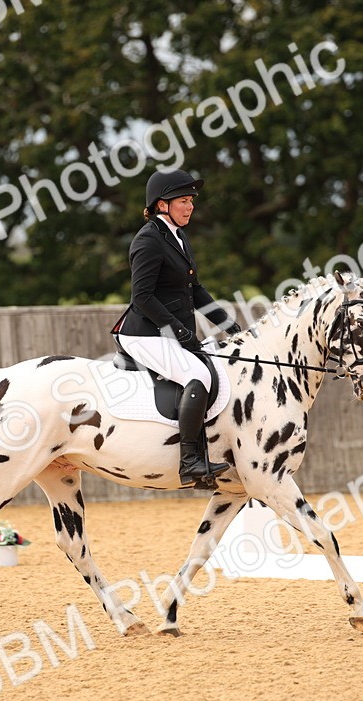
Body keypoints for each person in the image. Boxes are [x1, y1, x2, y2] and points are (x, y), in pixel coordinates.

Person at [112, 169, 242, 489]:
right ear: (161, 205)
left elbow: (195, 291)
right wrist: (178, 331)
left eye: (191, 201)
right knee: (196, 376)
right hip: (143, 332)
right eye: (183, 201)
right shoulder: (148, 239)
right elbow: (142, 297)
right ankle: (190, 462)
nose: (190, 207)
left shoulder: (179, 237)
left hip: (168, 330)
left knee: (212, 369)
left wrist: (230, 326)